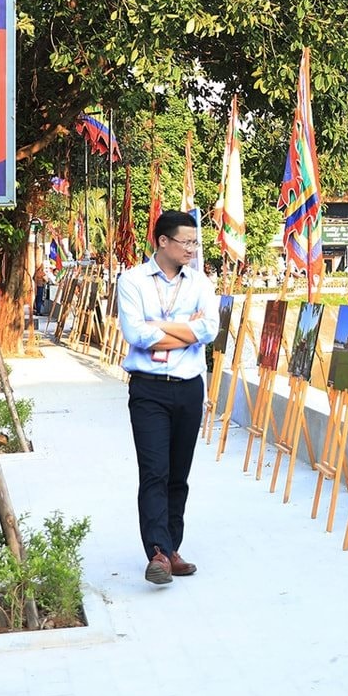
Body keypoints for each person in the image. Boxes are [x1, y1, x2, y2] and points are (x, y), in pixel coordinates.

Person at [117, 210, 218, 587]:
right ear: (163, 241)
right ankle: (158, 552)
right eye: (186, 242)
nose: (192, 249)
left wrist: (158, 327)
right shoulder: (132, 281)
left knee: (178, 474)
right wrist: (186, 329)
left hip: (189, 388)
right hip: (149, 389)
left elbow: (209, 329)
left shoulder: (200, 282)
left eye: (195, 242)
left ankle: (173, 547)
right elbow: (135, 334)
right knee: (154, 471)